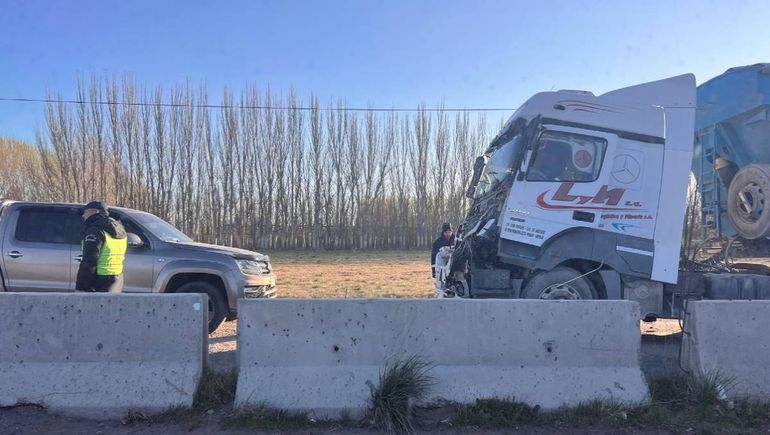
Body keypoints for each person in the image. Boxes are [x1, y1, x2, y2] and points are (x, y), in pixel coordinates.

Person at [75, 200, 128, 293]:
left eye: (86, 212)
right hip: (117, 278)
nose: (83, 215)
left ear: (95, 212)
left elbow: (90, 260)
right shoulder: (119, 228)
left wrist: (81, 286)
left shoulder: (95, 230)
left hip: (99, 280)